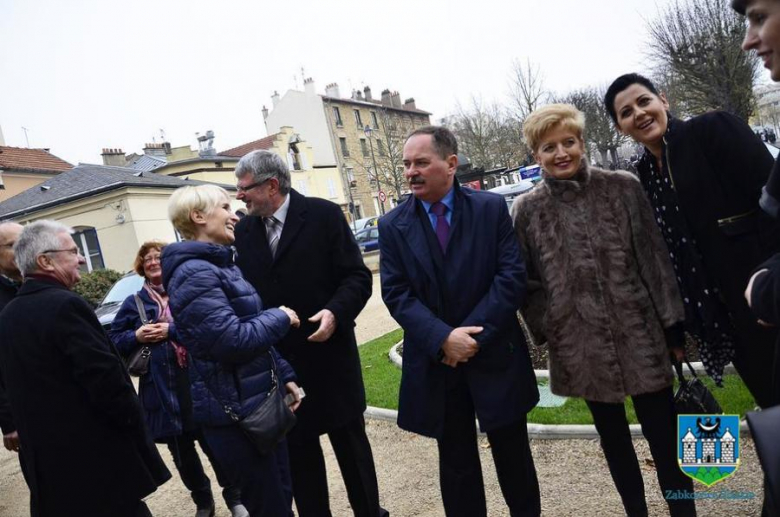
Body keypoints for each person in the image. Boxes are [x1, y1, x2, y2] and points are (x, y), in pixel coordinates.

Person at [513, 104, 696, 517]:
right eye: (548, 147)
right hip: (581, 346)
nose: (561, 153)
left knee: (665, 438)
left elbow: (653, 257)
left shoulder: (623, 188)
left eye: (569, 142)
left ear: (582, 143)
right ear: (535, 155)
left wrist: (671, 328)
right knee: (613, 440)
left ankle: (684, 512)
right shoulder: (527, 209)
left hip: (641, 335)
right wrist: (551, 326)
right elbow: (524, 282)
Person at [379, 126, 541, 517]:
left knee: (514, 461)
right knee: (456, 468)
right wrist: (442, 338)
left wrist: (470, 339)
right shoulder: (392, 226)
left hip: (494, 356)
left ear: (451, 164)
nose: (410, 172)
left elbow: (510, 277)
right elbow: (397, 293)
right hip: (439, 364)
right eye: (406, 164)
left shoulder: (489, 209)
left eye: (421, 162)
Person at [604, 73, 780, 409]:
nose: (639, 113)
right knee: (771, 406)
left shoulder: (713, 130)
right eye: (626, 112)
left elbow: (772, 204)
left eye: (644, 101)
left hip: (763, 292)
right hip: (723, 316)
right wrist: (675, 331)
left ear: (663, 101)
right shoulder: (643, 175)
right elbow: (662, 256)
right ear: (620, 127)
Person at [232, 150, 387, 517]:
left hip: (331, 359)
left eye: (244, 188)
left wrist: (335, 312)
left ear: (272, 185)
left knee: (352, 450)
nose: (239, 196)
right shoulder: (243, 231)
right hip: (282, 369)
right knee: (301, 459)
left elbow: (357, 277)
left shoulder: (323, 215)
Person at [0, 220, 171, 517]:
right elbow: (106, 380)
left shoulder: (10, 314)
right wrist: (133, 423)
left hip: (51, 466)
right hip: (95, 461)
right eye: (74, 251)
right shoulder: (65, 306)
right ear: (45, 261)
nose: (81, 258)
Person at [161, 184, 302, 517]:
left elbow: (247, 328)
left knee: (280, 499)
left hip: (257, 404)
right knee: (271, 507)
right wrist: (280, 316)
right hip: (236, 419)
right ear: (198, 217)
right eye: (224, 207)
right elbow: (231, 340)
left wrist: (285, 375)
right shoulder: (194, 273)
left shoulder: (221, 266)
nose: (234, 215)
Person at [110, 241, 247, 517]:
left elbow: (209, 329)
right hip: (161, 390)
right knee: (182, 454)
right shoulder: (133, 303)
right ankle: (203, 502)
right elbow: (113, 340)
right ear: (141, 267)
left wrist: (170, 330)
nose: (152, 262)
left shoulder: (185, 290)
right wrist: (135, 336)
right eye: (146, 259)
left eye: (157, 256)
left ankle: (235, 497)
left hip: (198, 380)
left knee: (215, 444)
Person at [0, 222, 23, 455]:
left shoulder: (40, 282)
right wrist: (9, 422)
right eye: (13, 245)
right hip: (24, 410)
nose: (22, 250)